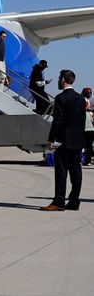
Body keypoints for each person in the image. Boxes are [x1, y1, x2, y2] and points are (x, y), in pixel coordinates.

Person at [41, 70, 85, 211]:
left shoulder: (61, 98)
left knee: (61, 172)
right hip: (77, 140)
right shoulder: (80, 98)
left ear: (63, 80)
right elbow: (82, 120)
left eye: (60, 78)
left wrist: (51, 140)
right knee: (76, 172)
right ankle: (74, 201)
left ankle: (59, 201)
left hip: (63, 141)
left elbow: (57, 121)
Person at [83, 87, 94, 166]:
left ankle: (88, 159)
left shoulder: (86, 100)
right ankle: (88, 160)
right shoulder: (84, 100)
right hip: (87, 127)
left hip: (88, 127)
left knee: (88, 145)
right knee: (89, 145)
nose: (89, 94)